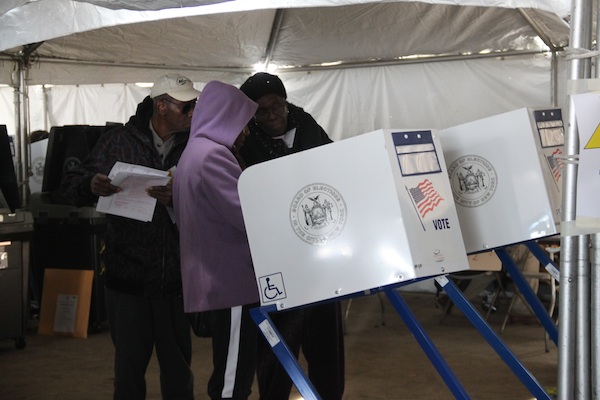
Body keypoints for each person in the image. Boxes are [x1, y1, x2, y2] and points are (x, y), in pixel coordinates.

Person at [61, 73, 199, 400]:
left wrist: (179, 197)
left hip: (176, 281)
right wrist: (90, 185)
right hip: (128, 280)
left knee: (179, 371)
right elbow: (70, 186)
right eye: (185, 106)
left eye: (195, 105)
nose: (192, 112)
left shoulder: (196, 145)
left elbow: (211, 199)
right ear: (161, 106)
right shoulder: (118, 141)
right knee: (128, 370)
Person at [239, 72, 345, 400]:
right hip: (276, 258)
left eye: (277, 106)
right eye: (262, 111)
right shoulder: (245, 139)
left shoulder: (307, 125)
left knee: (325, 339)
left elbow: (333, 167)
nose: (272, 116)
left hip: (317, 253)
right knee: (278, 343)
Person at [172, 80, 260, 400]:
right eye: (243, 123)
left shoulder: (194, 152)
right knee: (231, 380)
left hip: (215, 278)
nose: (246, 132)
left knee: (229, 368)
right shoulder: (214, 156)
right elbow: (245, 215)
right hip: (231, 281)